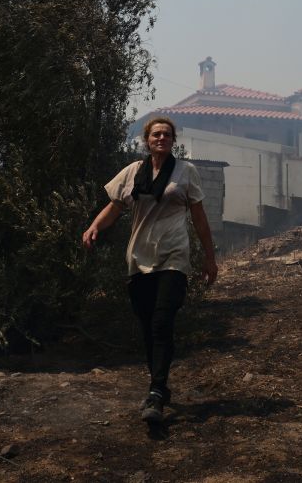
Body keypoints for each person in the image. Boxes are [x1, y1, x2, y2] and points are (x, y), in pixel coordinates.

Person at [82, 116, 218, 424]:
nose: (161, 139)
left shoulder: (186, 172)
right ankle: (160, 384)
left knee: (161, 320)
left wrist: (209, 258)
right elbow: (115, 206)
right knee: (147, 326)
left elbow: (199, 218)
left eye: (167, 135)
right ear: (147, 140)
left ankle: (155, 392)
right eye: (156, 134)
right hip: (138, 258)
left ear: (173, 140)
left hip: (173, 256)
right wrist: (94, 227)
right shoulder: (133, 172)